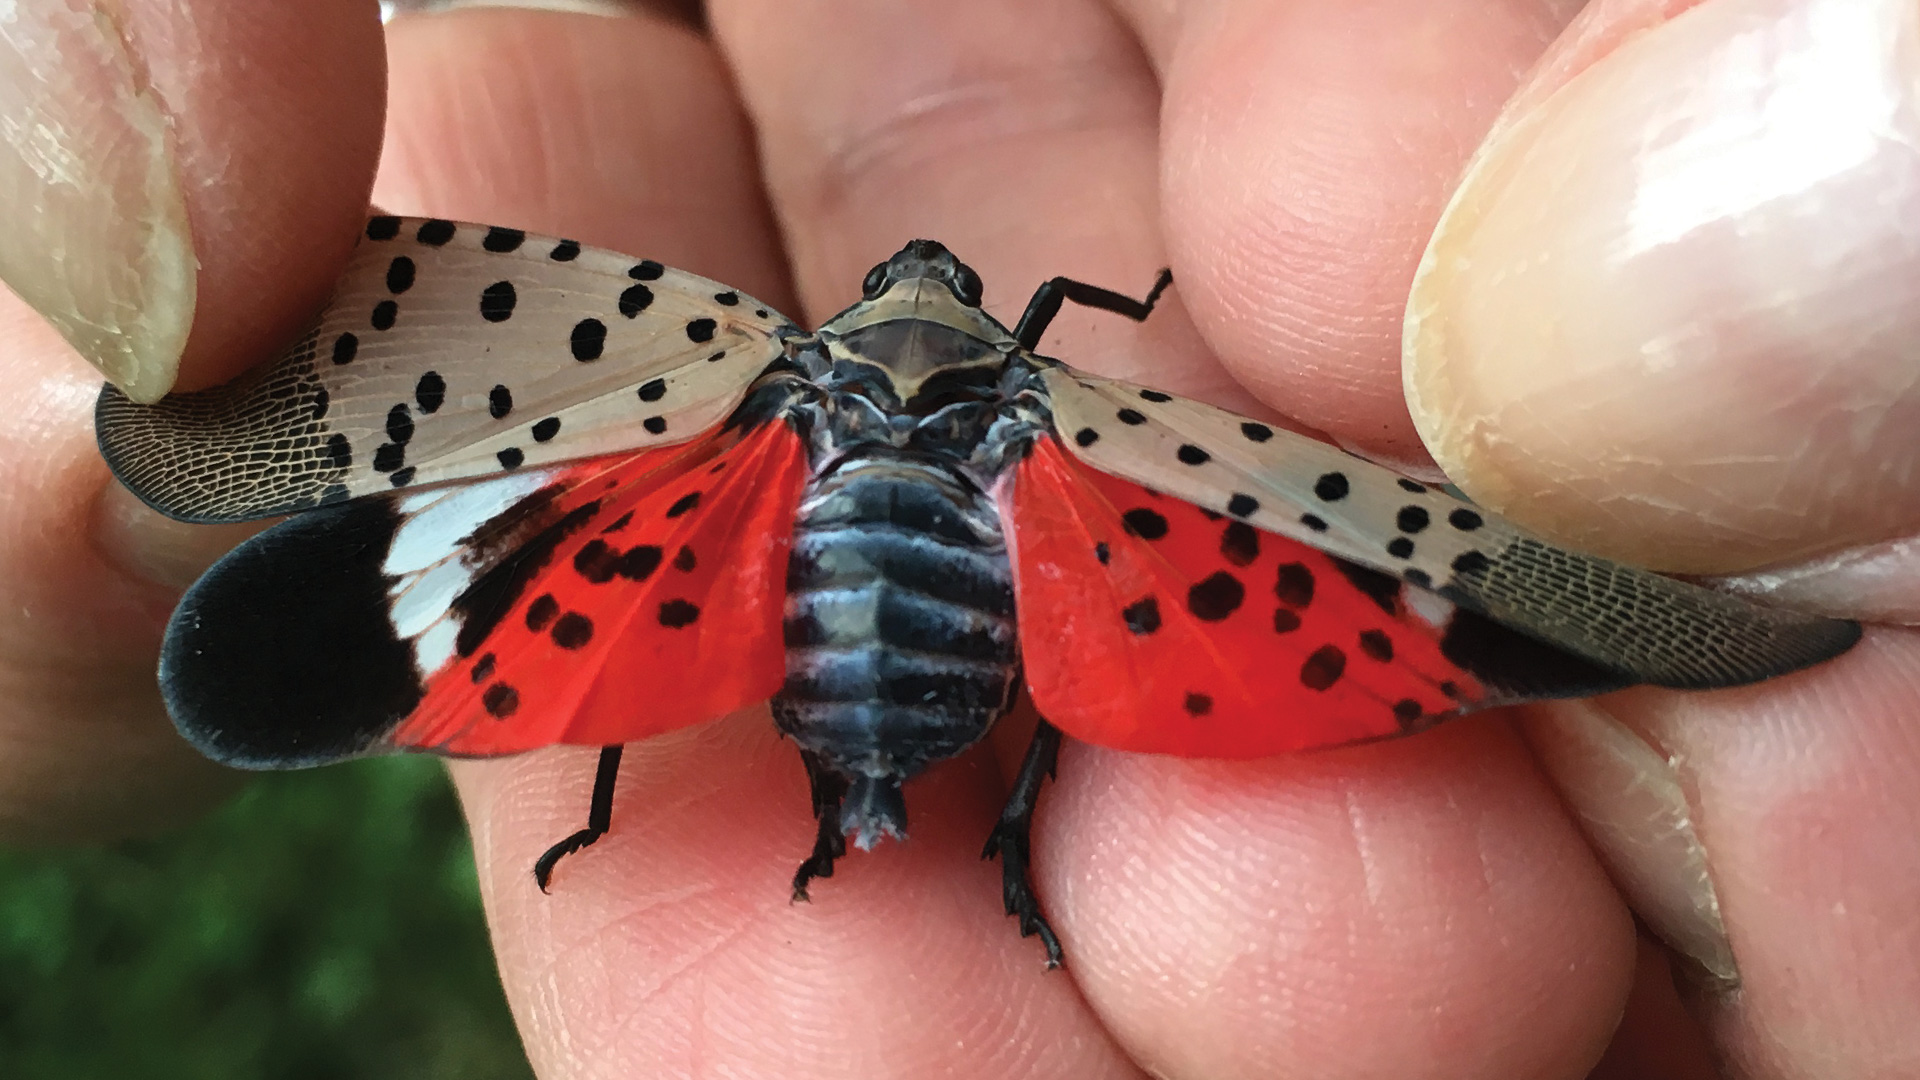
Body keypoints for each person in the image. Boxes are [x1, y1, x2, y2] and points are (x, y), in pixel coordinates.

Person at [2, 0, 1913, 1076]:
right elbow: (205, 430)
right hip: (1048, 526)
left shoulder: (755, 362)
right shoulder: (1063, 375)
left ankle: (835, 800)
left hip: (767, 512)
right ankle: (994, 831)